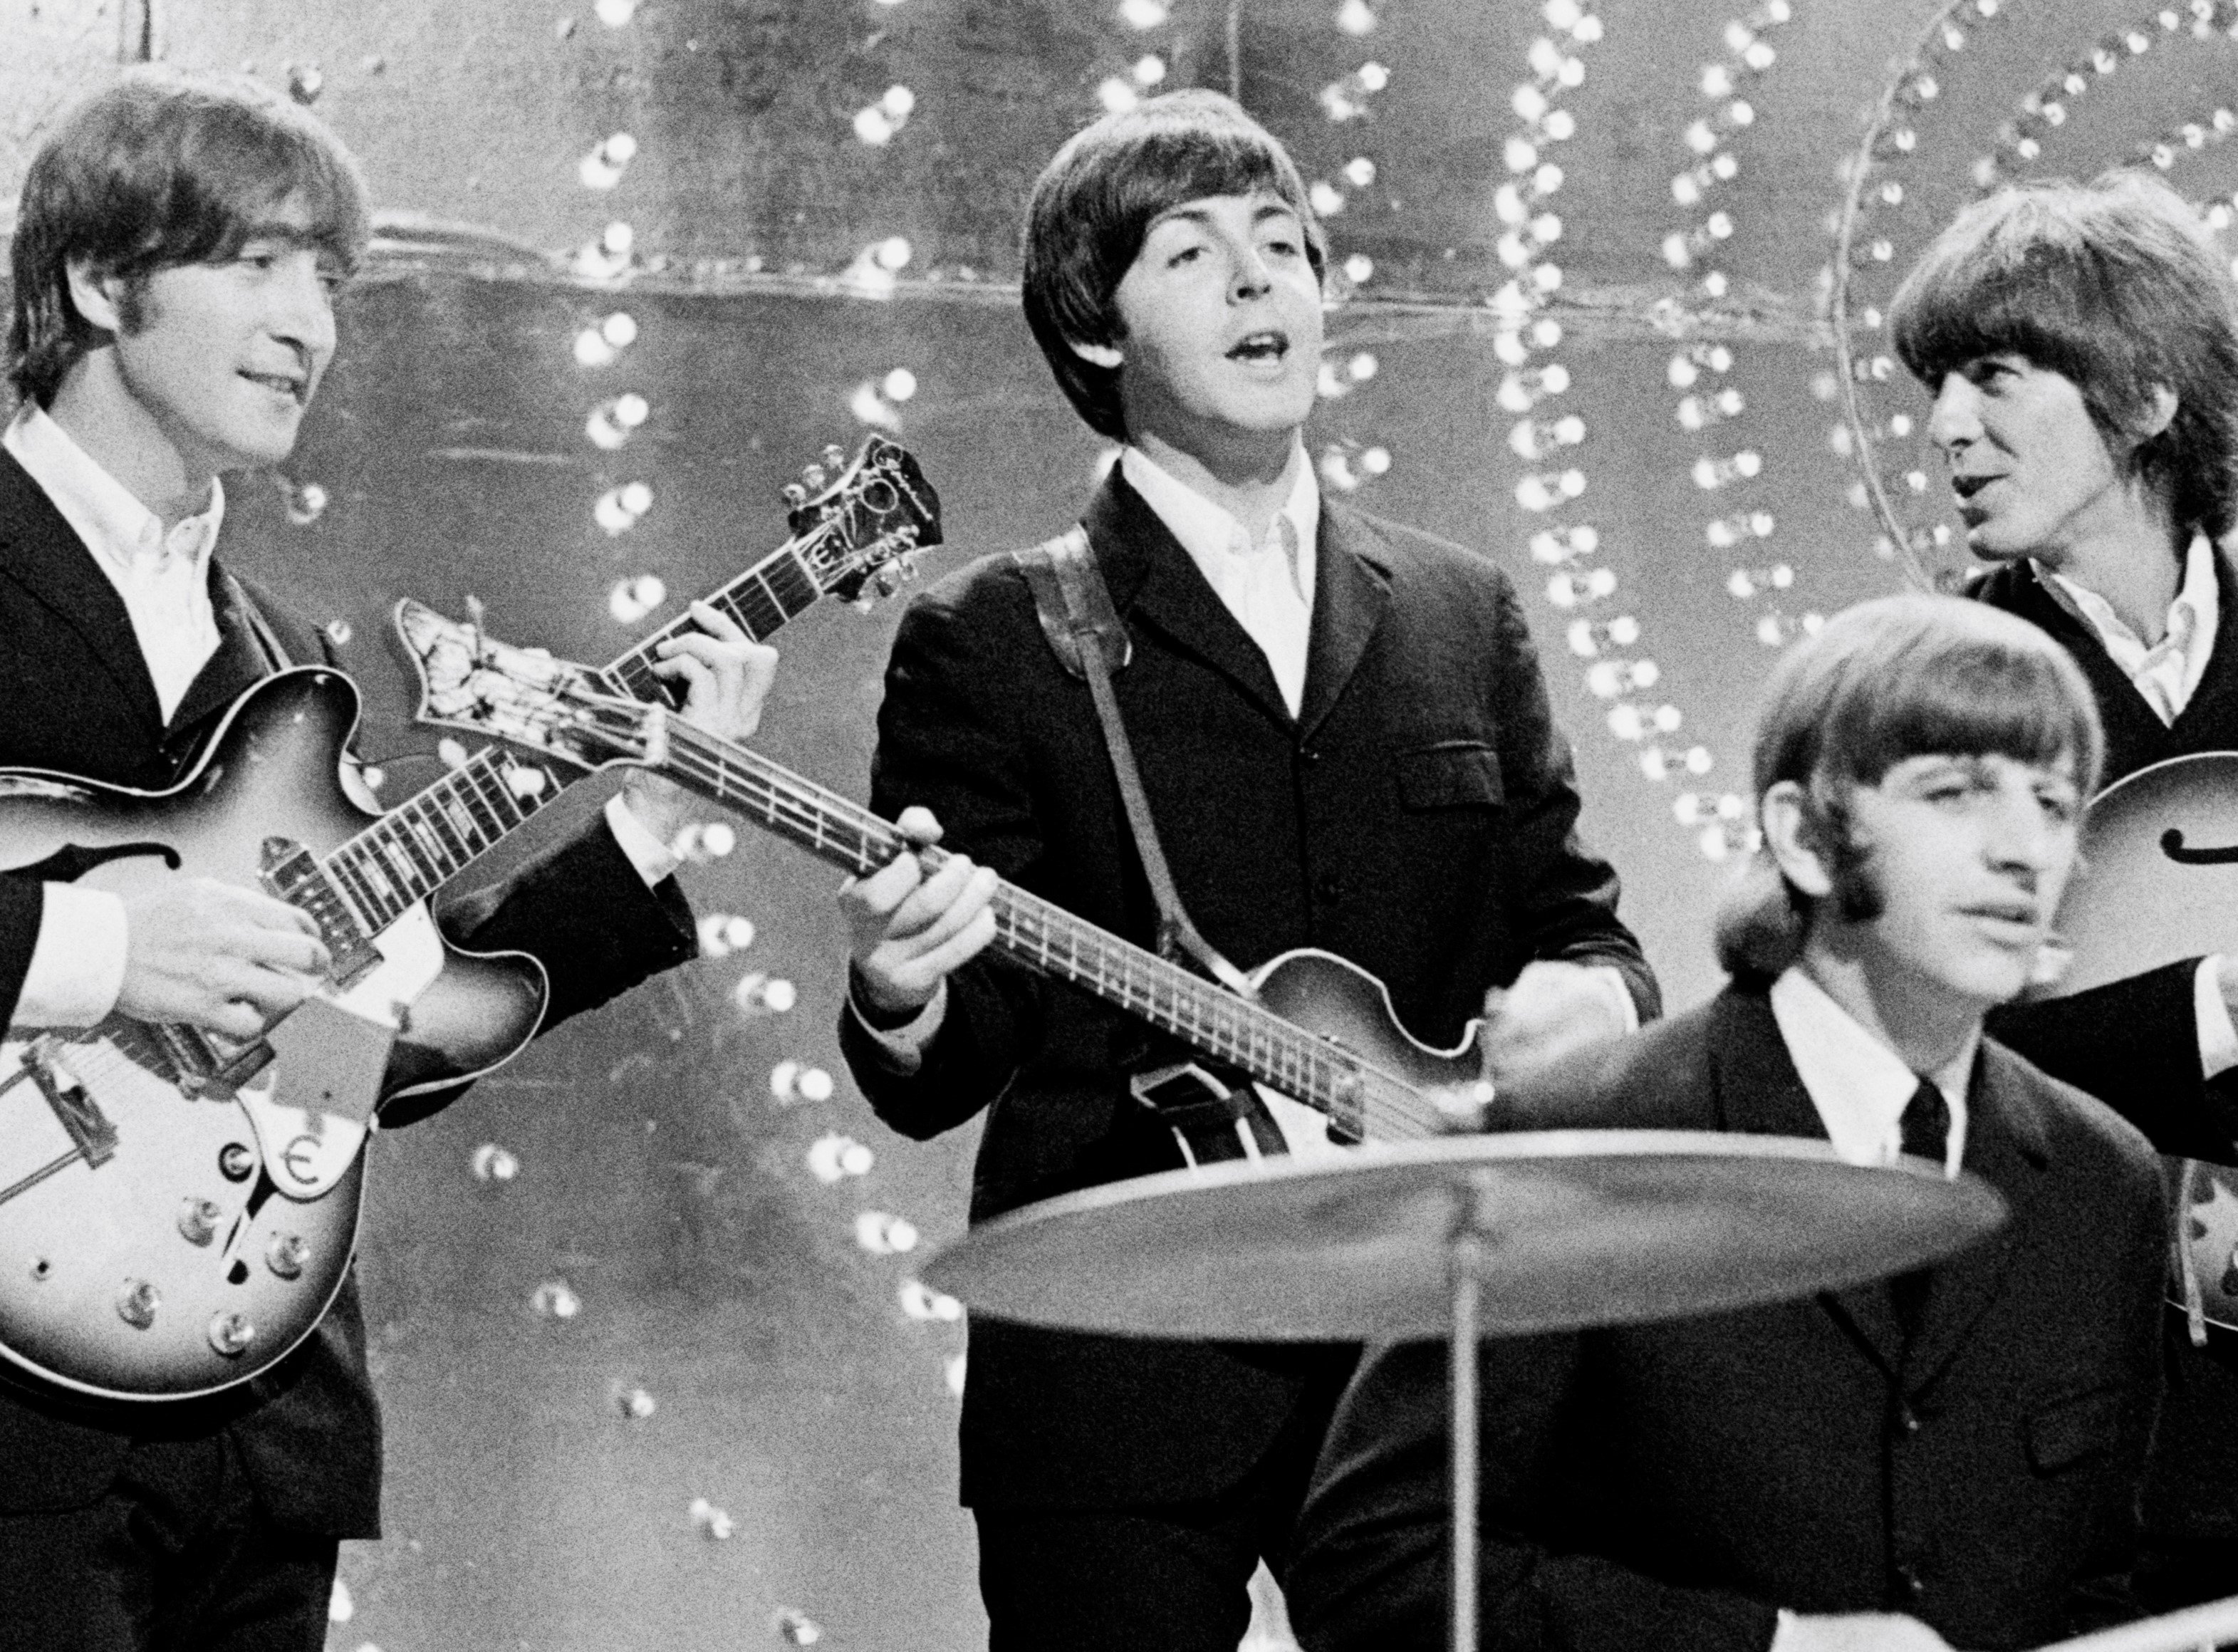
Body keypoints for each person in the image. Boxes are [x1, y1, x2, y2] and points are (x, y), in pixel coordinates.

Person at [833, 89, 1657, 1651]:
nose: (1258, 280)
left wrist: (1596, 1003)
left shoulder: (1455, 608)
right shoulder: (994, 634)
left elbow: (1580, 927)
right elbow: (951, 1065)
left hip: (1422, 1346)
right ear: (1091, 332)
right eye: (1195, 254)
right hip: (1122, 1369)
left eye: (1282, 247)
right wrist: (897, 986)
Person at [0, 68, 775, 1651]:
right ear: (95, 278)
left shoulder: (287, 653)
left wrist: (648, 819)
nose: (312, 324)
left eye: (332, 279)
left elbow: (361, 1057)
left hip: (263, 1424)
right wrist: (95, 955)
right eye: (259, 263)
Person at [1288, 593, 2168, 1652]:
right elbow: (1377, 1565)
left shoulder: (2100, 1181)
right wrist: (1768, 1646)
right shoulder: (1581, 1146)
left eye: (2053, 803)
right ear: (1801, 835)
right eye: (1955, 793)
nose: (2023, 850)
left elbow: (2095, 1589)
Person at [1890, 170, 2238, 1611]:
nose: (1943, 427)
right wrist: (2212, 1006)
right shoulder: (1930, 684)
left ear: (2145, 397)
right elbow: (1930, 1053)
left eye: (1990, 376)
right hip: (2084, 1415)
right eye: (1931, 386)